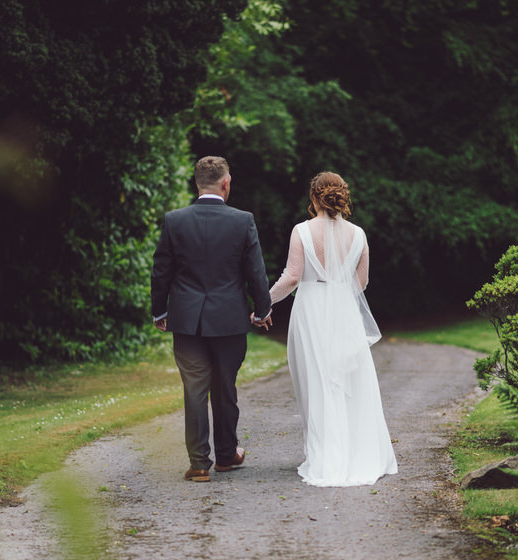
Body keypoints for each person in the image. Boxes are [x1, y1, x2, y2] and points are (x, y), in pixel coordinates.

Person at [268, 172, 397, 487]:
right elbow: (361, 283)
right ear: (342, 197)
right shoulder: (359, 234)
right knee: (347, 382)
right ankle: (354, 453)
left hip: (310, 311)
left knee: (317, 381)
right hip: (344, 310)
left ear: (314, 198)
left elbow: (292, 277)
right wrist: (338, 297)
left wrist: (264, 302)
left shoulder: (302, 230)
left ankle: (326, 454)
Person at [151, 156, 273, 482]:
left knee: (194, 390)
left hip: (187, 321)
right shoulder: (243, 220)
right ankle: (226, 456)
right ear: (225, 183)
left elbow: (161, 270)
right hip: (230, 320)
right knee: (225, 389)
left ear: (196, 183)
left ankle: (199, 464)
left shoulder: (175, 220)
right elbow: (255, 273)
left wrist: (159, 310)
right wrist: (263, 310)